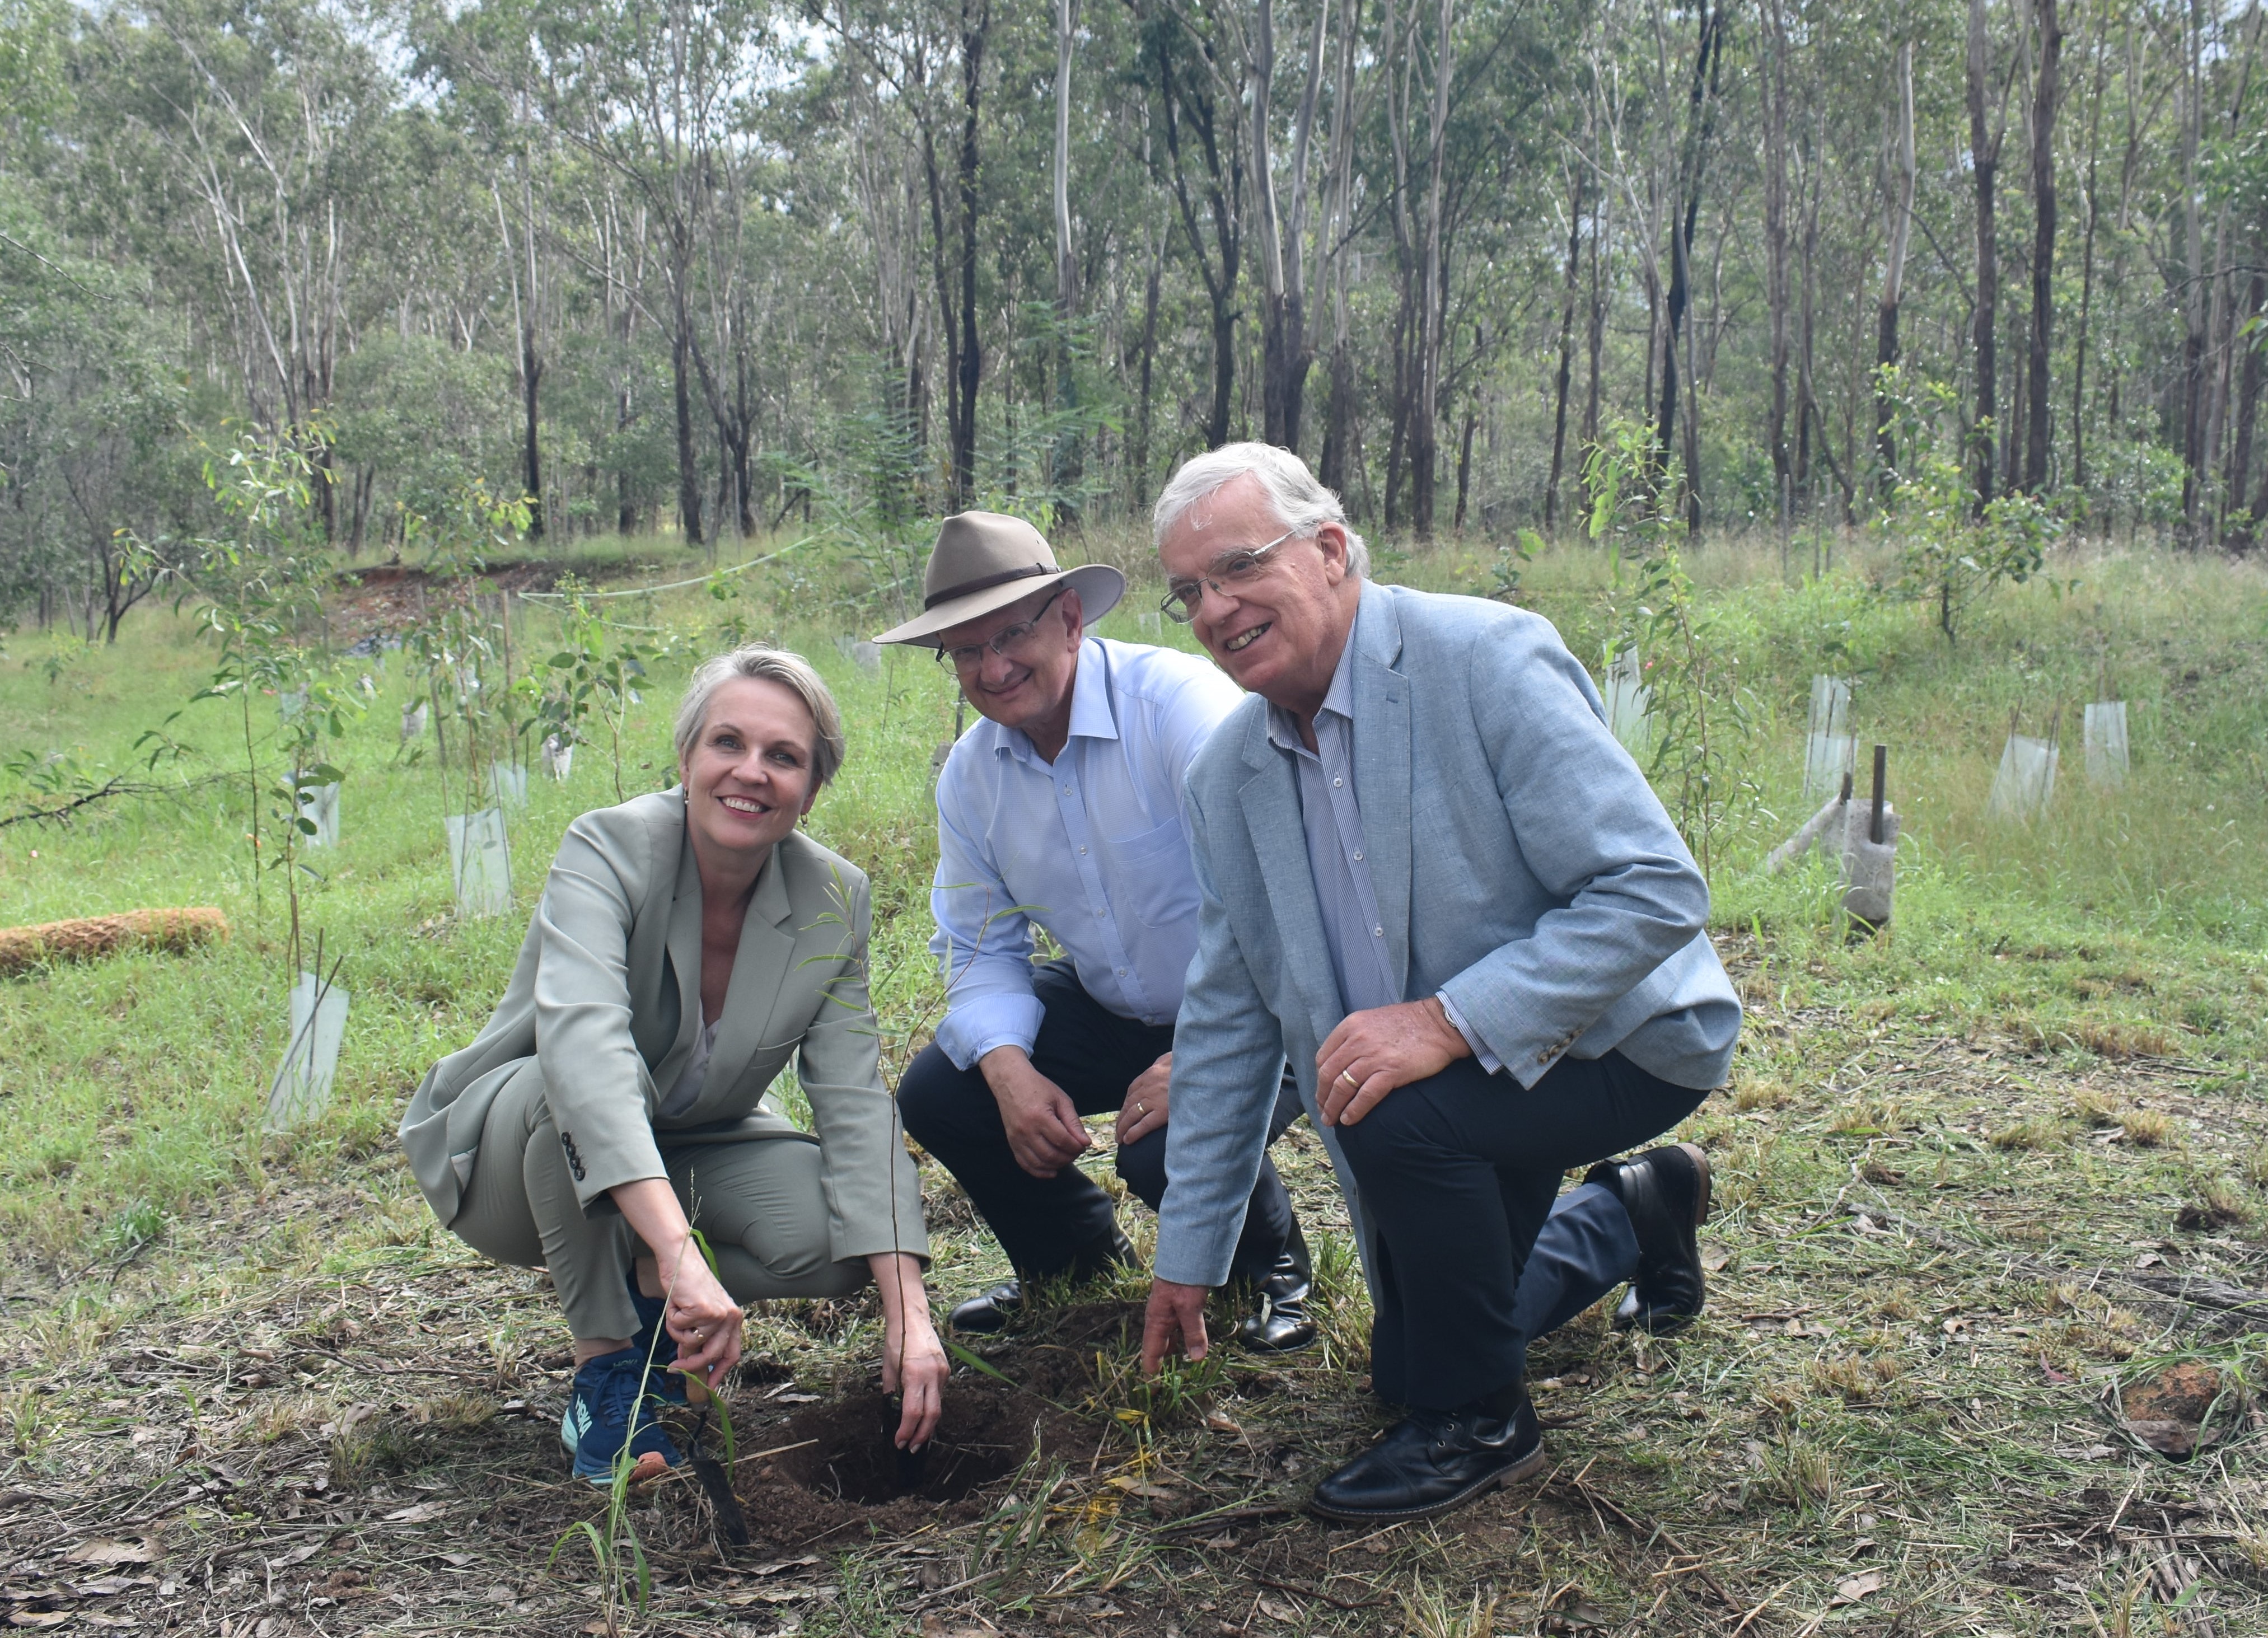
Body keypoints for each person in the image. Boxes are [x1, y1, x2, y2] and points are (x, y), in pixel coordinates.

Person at [1138, 444, 1741, 1524]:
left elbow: (1652, 889)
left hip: (1619, 1042)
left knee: (1392, 1108)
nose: (1214, 609)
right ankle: (1631, 1209)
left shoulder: (1485, 657)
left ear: (1329, 551)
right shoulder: (1226, 775)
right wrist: (1189, 1252)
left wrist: (1446, 1020)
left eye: (1238, 567)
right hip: (1462, 1086)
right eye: (1189, 590)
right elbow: (1229, 1013)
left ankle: (1481, 1425)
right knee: (1405, 1363)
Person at [400, 646, 947, 1485]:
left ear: (813, 786)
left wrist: (908, 1313)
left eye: (785, 756)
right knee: (569, 1081)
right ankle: (608, 1368)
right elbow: (586, 1054)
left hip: (692, 1142)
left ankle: (654, 1287)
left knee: (842, 1238)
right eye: (728, 742)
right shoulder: (609, 848)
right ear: (687, 755)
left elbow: (853, 1101)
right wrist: (681, 1245)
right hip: (517, 1158)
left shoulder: (835, 896)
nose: (751, 773)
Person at [877, 511, 1316, 1350]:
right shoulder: (973, 778)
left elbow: (1292, 892)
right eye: (966, 651)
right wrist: (1010, 1075)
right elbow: (975, 947)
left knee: (1162, 1147)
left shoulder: (1181, 711)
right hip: (1119, 1004)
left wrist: (1204, 1058)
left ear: (1071, 619)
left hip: (1269, 1000)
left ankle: (1274, 1265)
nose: (994, 667)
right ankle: (1073, 1258)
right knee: (945, 1088)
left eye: (1011, 634)